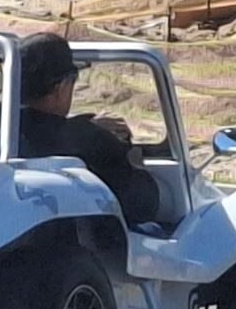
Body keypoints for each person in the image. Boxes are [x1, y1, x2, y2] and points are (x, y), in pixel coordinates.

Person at [18, 33, 159, 225]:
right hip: (71, 249)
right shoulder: (93, 142)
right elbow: (143, 204)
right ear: (61, 88)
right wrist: (133, 161)